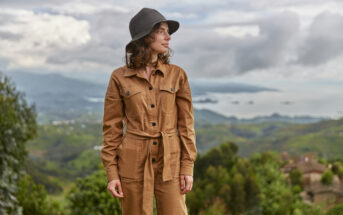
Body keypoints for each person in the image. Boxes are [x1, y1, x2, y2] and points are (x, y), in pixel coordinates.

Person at [100, 7, 197, 215]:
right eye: (162, 31)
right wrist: (112, 173)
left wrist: (187, 167)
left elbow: (186, 125)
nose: (168, 37)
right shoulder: (119, 78)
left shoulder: (177, 75)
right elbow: (111, 129)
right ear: (145, 37)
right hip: (132, 163)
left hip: (170, 160)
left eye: (167, 31)